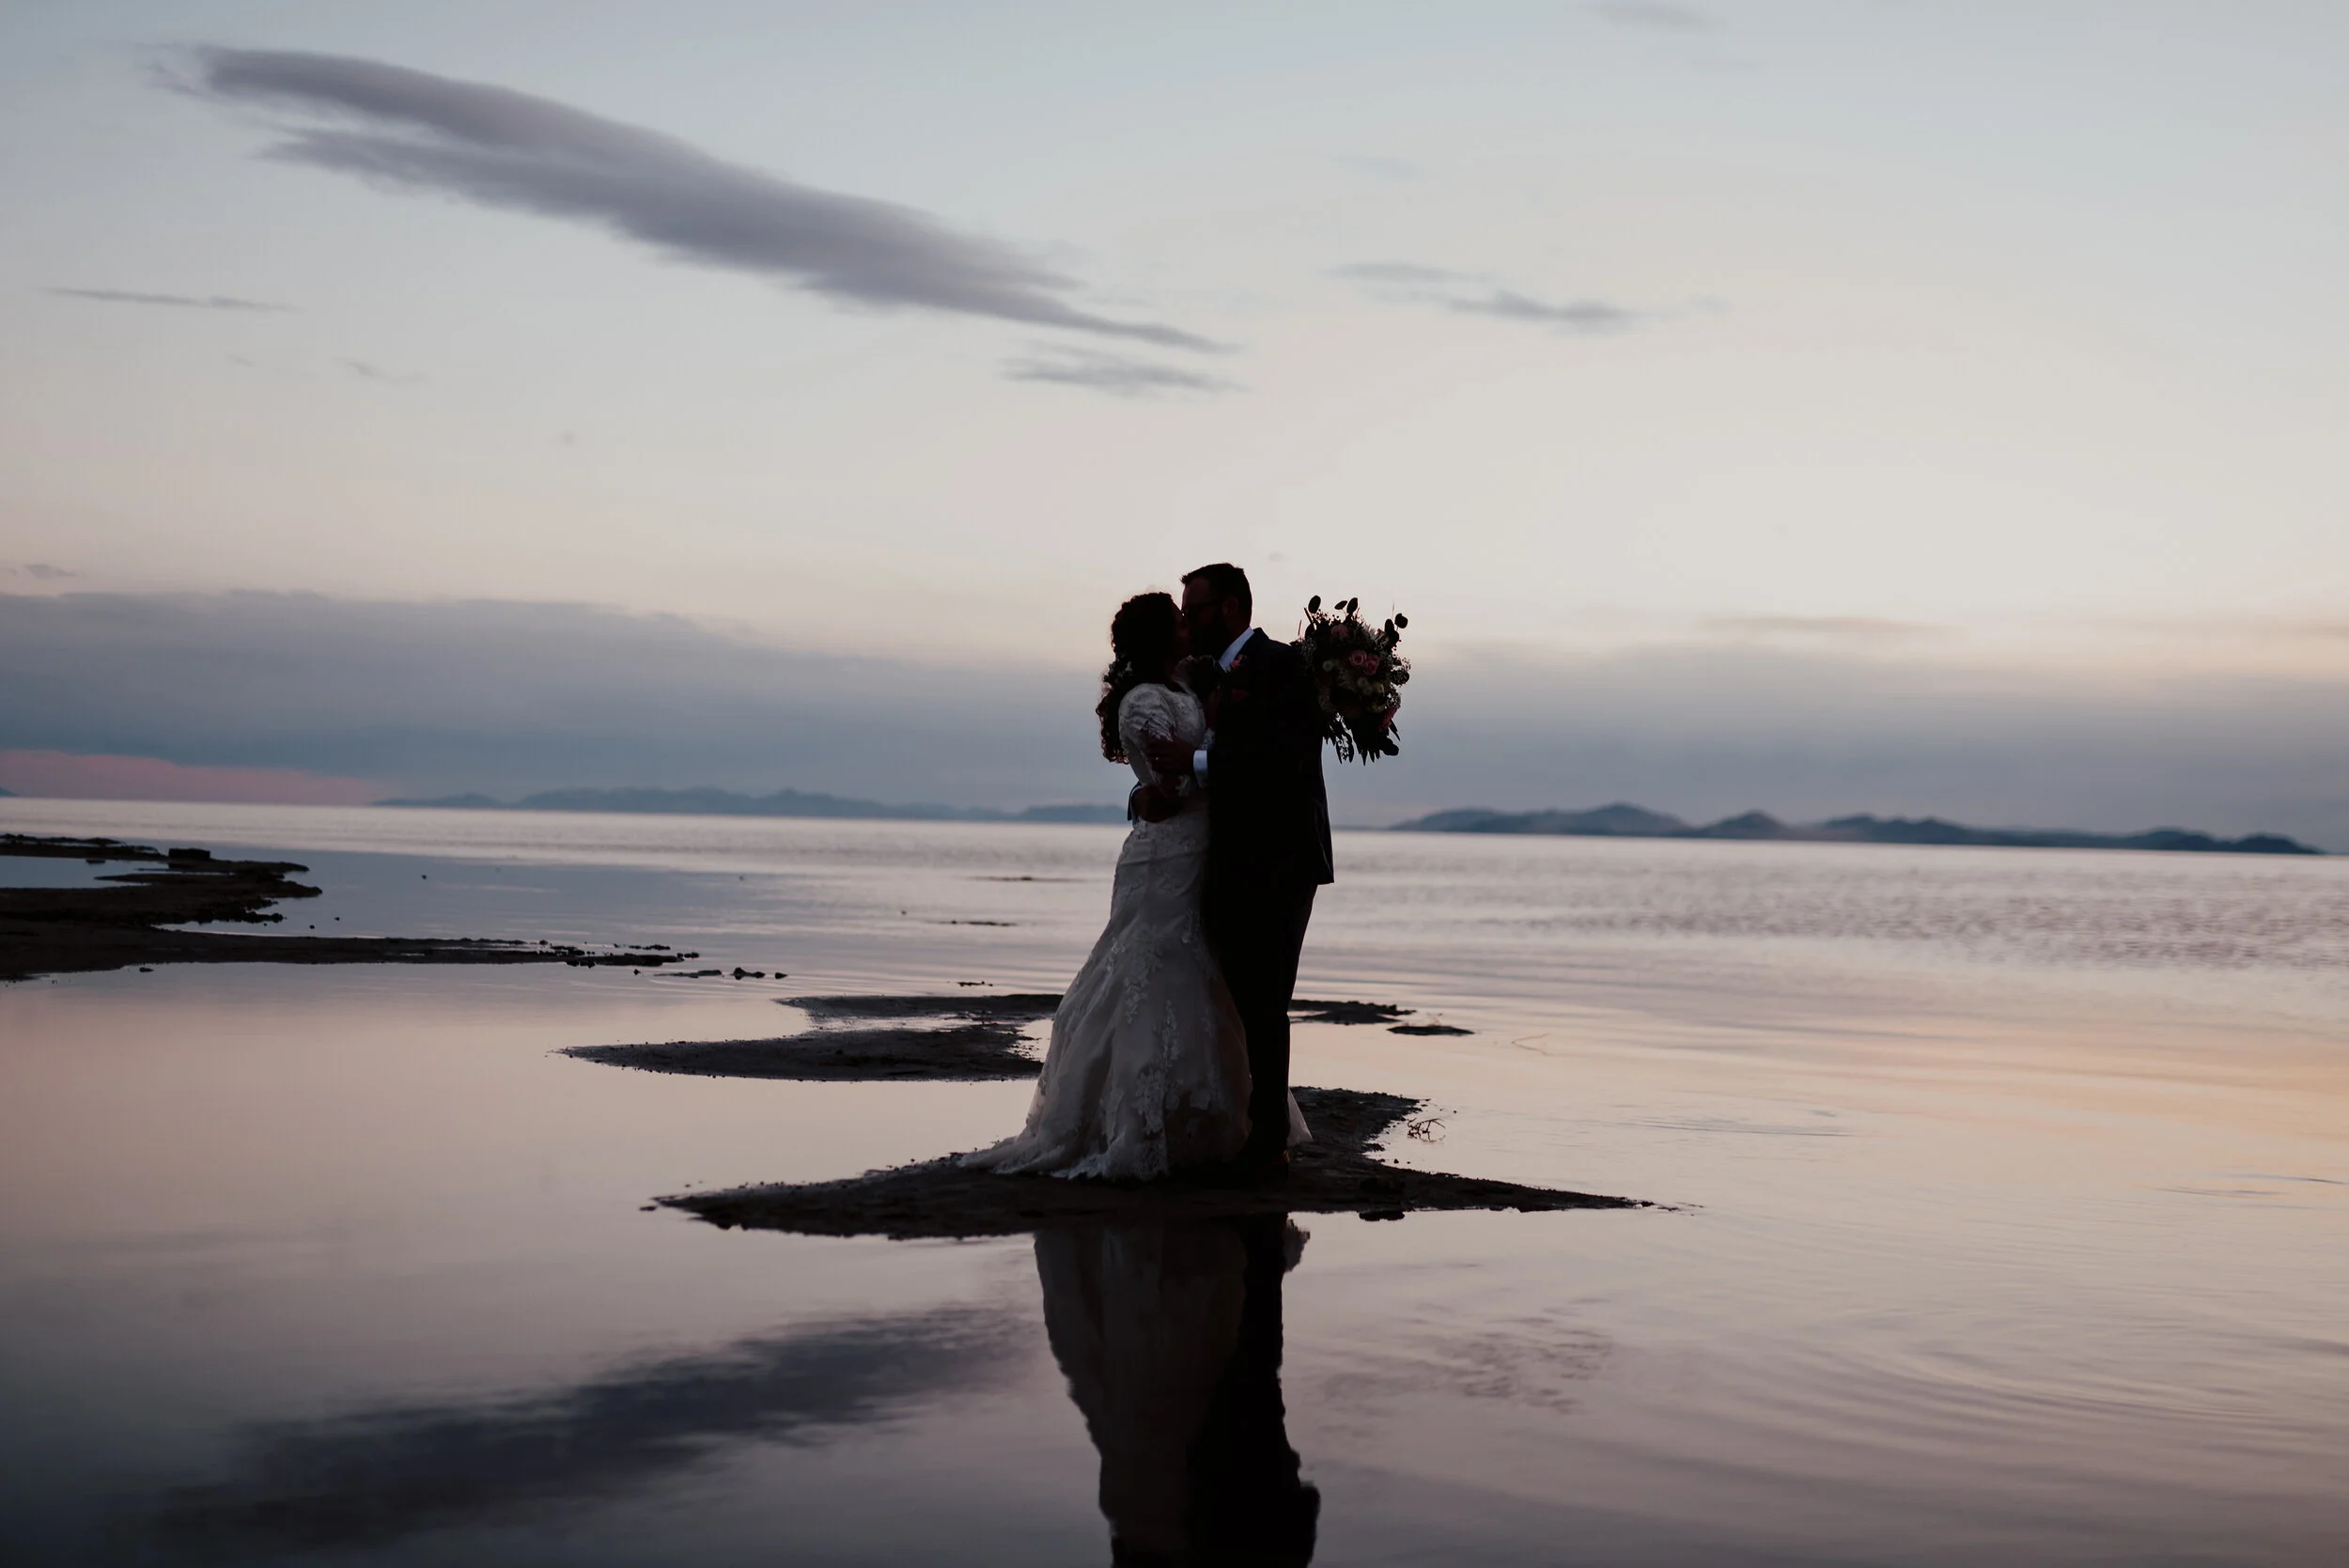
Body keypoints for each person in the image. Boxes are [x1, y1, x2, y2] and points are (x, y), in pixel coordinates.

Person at [962, 590, 1305, 1181]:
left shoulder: (1187, 686)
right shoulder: (1143, 702)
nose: (1185, 623)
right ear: (1158, 638)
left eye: (1187, 611)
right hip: (1166, 860)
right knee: (1151, 977)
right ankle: (1137, 1119)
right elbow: (1167, 792)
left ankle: (1207, 1118)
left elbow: (1198, 769)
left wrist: (1200, 748)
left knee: (1203, 981)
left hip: (1202, 856)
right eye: (1177, 618)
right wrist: (1197, 752)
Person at [1141, 564, 1334, 1178]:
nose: (1184, 618)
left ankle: (1269, 1140)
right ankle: (1246, 1126)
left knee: (1265, 998)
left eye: (1191, 608)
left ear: (1227, 608)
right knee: (1236, 999)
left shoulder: (1280, 664)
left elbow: (1283, 755)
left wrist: (1195, 760)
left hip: (1279, 859)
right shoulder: (1206, 677)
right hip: (1225, 859)